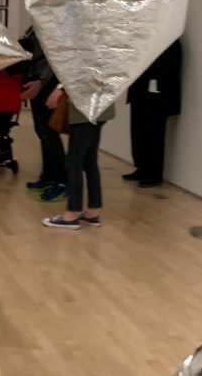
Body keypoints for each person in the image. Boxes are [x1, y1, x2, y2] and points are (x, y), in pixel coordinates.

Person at [41, 86, 115, 230]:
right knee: (89, 160)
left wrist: (60, 88)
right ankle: (92, 212)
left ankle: (71, 215)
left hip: (85, 107)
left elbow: (80, 74)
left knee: (73, 161)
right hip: (101, 105)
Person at [123, 39, 182, 188]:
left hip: (157, 99)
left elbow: (169, 71)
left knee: (154, 136)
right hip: (140, 94)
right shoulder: (146, 41)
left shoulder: (171, 43)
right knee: (138, 134)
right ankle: (142, 168)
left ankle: (153, 174)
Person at [17, 27, 67, 203]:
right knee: (41, 130)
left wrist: (42, 81)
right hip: (35, 78)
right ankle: (48, 176)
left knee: (48, 131)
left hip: (46, 82)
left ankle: (62, 181)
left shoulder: (52, 25)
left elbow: (55, 57)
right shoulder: (34, 26)